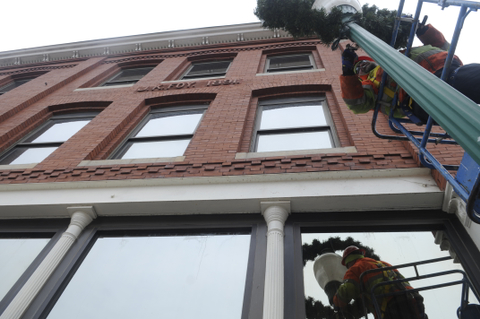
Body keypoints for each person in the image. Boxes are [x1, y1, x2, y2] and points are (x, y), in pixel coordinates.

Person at [340, 24, 480, 123]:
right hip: (421, 95)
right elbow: (357, 103)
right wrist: (347, 73)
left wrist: (424, 30)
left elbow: (443, 47)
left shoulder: (394, 59)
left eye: (363, 62)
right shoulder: (370, 83)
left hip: (447, 70)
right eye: (357, 68)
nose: (361, 65)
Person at [332, 246, 426, 319]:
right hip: (413, 299)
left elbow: (349, 289)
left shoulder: (355, 268)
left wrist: (336, 303)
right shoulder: (383, 264)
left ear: (348, 261)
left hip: (392, 306)